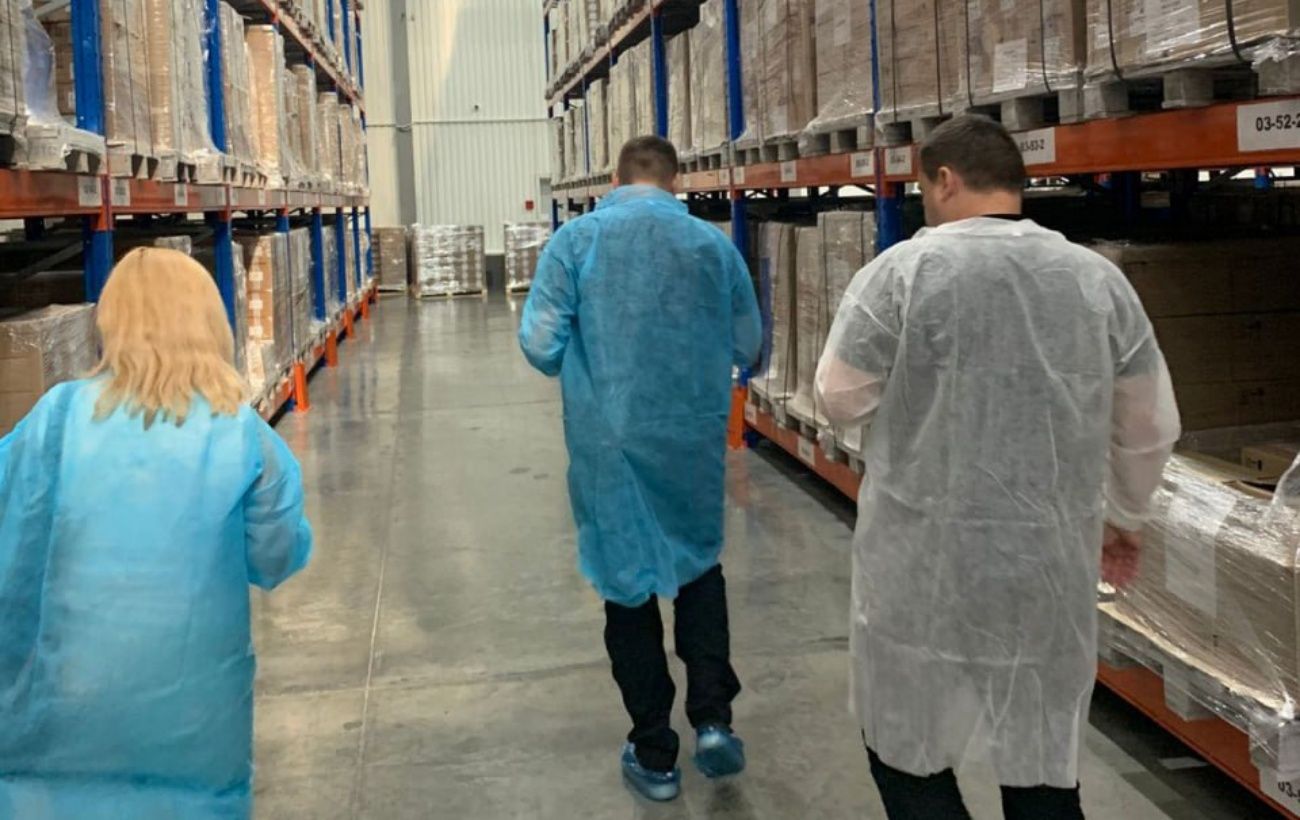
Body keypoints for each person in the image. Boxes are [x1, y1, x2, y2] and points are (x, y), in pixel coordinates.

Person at [815, 114, 1180, 819]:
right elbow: (1148, 421)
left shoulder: (900, 274)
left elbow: (839, 397)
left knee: (906, 744)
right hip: (1045, 566)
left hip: (922, 565)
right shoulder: (1096, 281)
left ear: (945, 180)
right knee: (1040, 758)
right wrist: (1125, 517)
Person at [0, 248, 313, 818]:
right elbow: (277, 556)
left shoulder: (57, 417)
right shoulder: (241, 433)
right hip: (195, 721)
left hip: (64, 709)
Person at [519, 135, 763, 802]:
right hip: (689, 438)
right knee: (698, 567)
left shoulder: (576, 243)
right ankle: (712, 720)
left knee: (626, 590)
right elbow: (748, 344)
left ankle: (655, 753)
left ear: (616, 179)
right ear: (674, 182)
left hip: (610, 447)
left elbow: (540, 344)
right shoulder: (713, 246)